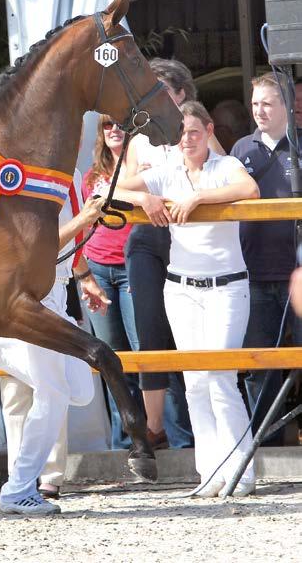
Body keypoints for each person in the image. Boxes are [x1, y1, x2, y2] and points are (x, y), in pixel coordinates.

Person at [118, 101, 259, 497]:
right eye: (181, 133)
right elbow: (107, 187)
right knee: (196, 382)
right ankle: (210, 472)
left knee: (221, 379)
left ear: (209, 130)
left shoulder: (225, 166)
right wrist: (144, 199)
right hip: (180, 288)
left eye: (194, 131)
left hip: (227, 286)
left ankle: (240, 471)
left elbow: (250, 189)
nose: (187, 139)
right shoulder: (166, 171)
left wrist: (198, 198)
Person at [0, 170, 109, 514]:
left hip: (59, 292)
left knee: (79, 390)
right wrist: (85, 218)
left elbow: (73, 235)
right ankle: (18, 487)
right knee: (53, 392)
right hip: (33, 295)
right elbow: (35, 248)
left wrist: (84, 276)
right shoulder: (18, 172)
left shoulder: (70, 170)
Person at [121, 58, 204, 451]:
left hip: (189, 241)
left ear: (181, 94)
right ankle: (153, 430)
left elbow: (226, 172)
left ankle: (196, 427)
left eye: (164, 92)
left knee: (190, 335)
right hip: (147, 242)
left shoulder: (195, 131)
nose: (156, 100)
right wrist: (143, 196)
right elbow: (114, 187)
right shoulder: (139, 138)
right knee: (151, 333)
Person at [231, 71, 302, 445]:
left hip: (298, 276)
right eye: (255, 103)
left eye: (267, 103)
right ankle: (264, 445)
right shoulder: (242, 148)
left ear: (287, 106)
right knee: (260, 365)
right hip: (254, 275)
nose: (259, 110)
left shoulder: (300, 146)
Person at [81, 116, 144, 448]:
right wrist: (84, 274)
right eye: (107, 126)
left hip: (136, 266)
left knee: (145, 355)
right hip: (98, 269)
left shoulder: (143, 168)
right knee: (110, 358)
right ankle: (125, 443)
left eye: (120, 124)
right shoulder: (90, 177)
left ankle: (167, 437)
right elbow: (81, 227)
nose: (114, 130)